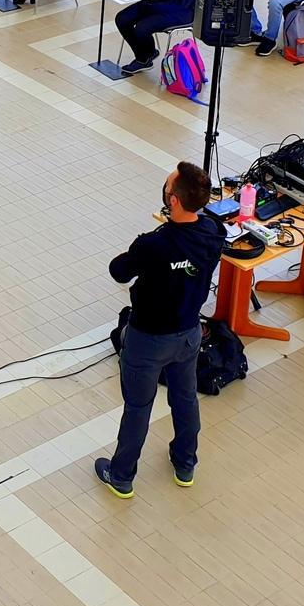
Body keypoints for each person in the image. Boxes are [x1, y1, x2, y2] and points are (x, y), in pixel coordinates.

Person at [94, 162, 219, 497]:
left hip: (148, 339)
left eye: (167, 186)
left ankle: (121, 476)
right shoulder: (211, 233)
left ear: (173, 201)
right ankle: (185, 463)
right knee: (185, 397)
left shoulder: (154, 245)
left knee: (138, 407)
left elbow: (119, 271)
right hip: (189, 334)